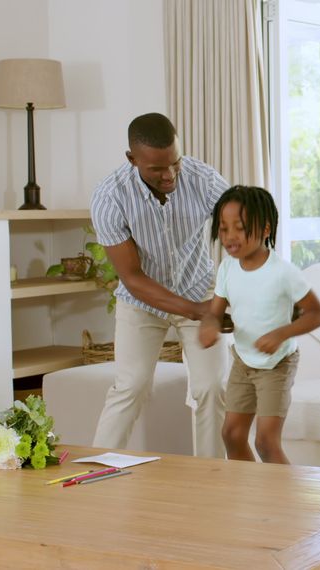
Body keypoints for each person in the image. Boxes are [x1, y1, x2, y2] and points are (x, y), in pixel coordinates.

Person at [90, 112, 231, 458]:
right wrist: (198, 311)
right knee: (131, 386)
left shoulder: (204, 180)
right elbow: (133, 278)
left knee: (211, 386)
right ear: (132, 159)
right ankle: (98, 468)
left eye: (174, 163)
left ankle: (213, 478)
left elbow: (242, 233)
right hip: (143, 301)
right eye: (156, 169)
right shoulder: (110, 197)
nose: (169, 175)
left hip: (198, 288)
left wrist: (236, 295)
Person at [198, 185, 320, 464]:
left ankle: (287, 503)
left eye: (240, 228)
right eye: (223, 229)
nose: (230, 237)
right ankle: (251, 495)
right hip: (243, 361)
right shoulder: (227, 268)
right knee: (231, 435)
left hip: (277, 364)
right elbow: (215, 311)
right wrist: (209, 324)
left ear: (265, 229)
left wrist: (281, 333)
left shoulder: (283, 273)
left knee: (266, 442)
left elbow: (317, 314)